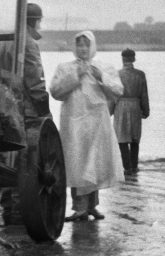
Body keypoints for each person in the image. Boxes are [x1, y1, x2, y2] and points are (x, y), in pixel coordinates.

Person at [51, 31, 124, 220]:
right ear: (74, 48)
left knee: (95, 161)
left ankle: (92, 206)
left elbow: (117, 91)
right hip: (73, 122)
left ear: (92, 46)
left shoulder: (104, 67)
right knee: (77, 161)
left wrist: (101, 78)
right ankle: (79, 207)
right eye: (79, 45)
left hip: (97, 121)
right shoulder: (65, 68)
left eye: (86, 45)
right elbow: (56, 92)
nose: (83, 49)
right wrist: (75, 76)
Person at [0, 2, 50, 222]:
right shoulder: (29, 43)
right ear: (35, 21)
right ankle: (18, 209)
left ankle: (8, 207)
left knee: (8, 156)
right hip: (25, 108)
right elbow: (35, 80)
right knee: (24, 160)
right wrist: (45, 113)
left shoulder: (4, 39)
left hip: (4, 104)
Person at [113, 48, 151, 176]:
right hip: (135, 106)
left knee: (122, 138)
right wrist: (146, 111)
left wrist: (109, 110)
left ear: (122, 59)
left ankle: (127, 167)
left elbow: (113, 95)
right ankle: (134, 166)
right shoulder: (140, 74)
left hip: (121, 106)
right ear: (134, 59)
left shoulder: (116, 74)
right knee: (135, 139)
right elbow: (144, 95)